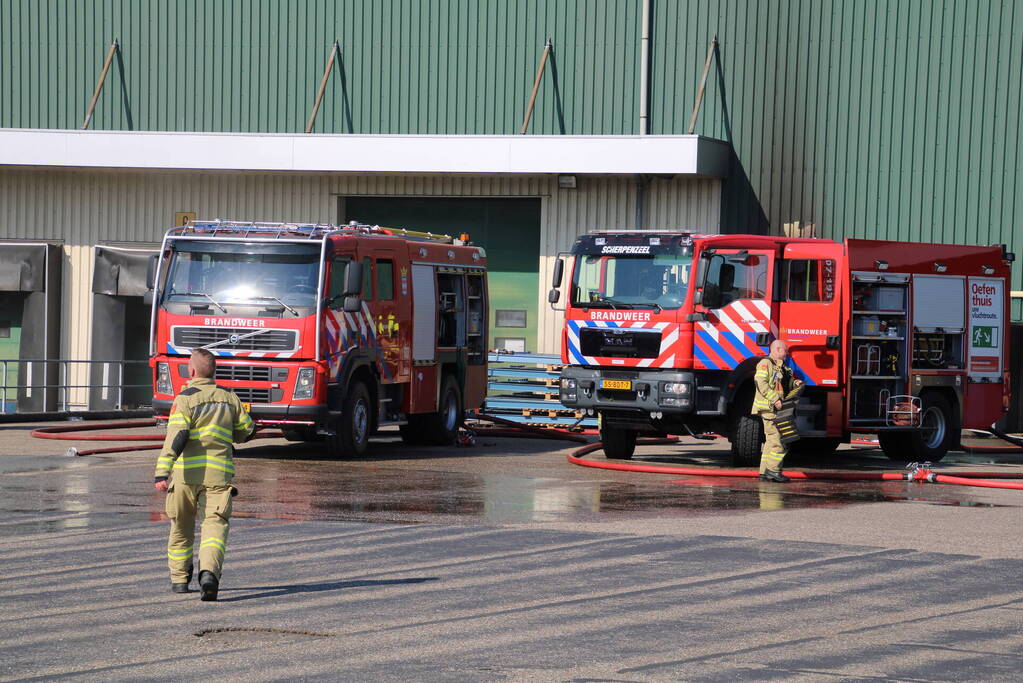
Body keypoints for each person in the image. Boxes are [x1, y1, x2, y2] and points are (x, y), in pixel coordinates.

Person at [154, 348, 255, 601]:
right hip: (218, 477)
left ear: (192, 371)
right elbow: (246, 431)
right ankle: (209, 574)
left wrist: (161, 472)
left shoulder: (185, 398)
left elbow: (176, 436)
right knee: (214, 527)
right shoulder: (229, 397)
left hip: (185, 477)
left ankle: (179, 580)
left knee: (181, 528)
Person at [752, 340, 804, 482]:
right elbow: (760, 383)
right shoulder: (765, 364)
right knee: (779, 442)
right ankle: (773, 471)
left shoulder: (781, 366)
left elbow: (785, 382)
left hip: (775, 409)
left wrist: (795, 383)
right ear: (777, 349)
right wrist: (775, 399)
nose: (787, 354)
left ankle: (764, 472)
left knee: (770, 442)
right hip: (770, 409)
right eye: (785, 351)